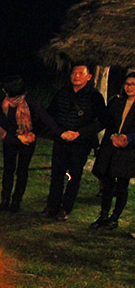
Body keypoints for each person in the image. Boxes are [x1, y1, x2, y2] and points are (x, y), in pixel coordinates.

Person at [43, 63, 111, 221]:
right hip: (61, 139)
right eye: (74, 73)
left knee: (74, 176)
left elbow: (102, 120)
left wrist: (80, 133)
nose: (76, 76)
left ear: (89, 77)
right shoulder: (63, 93)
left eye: (81, 73)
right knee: (57, 175)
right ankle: (52, 205)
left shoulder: (94, 96)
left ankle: (66, 208)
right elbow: (51, 114)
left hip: (81, 143)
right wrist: (60, 132)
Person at [0, 75, 61, 213]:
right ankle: (5, 199)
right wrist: (16, 135)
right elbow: (3, 121)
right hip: (10, 139)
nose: (3, 90)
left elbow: (45, 118)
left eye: (6, 88)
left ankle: (16, 201)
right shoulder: (5, 102)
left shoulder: (30, 101)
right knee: (8, 169)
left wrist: (60, 133)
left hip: (27, 140)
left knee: (22, 170)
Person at [90, 72, 135, 229]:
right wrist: (114, 136)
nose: (129, 87)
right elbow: (106, 120)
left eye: (132, 84)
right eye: (127, 84)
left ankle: (115, 218)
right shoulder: (116, 101)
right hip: (111, 145)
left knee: (122, 184)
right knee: (107, 182)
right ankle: (103, 215)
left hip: (128, 150)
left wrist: (128, 138)